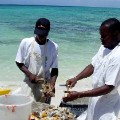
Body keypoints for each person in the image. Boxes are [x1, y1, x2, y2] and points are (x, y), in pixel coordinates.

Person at [63, 18, 120, 120]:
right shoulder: (104, 46)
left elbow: (108, 87)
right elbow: (93, 66)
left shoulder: (117, 55)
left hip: (107, 105)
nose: (101, 39)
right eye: (101, 36)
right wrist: (76, 78)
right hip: (95, 99)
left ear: (116, 34)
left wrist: (79, 95)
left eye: (104, 36)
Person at [15, 18, 58, 103]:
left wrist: (52, 85)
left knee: (43, 113)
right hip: (29, 83)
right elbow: (18, 61)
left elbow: (55, 69)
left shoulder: (53, 47)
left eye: (43, 35)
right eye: (39, 34)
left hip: (45, 85)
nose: (41, 37)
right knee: (26, 110)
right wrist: (30, 75)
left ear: (48, 32)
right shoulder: (26, 42)